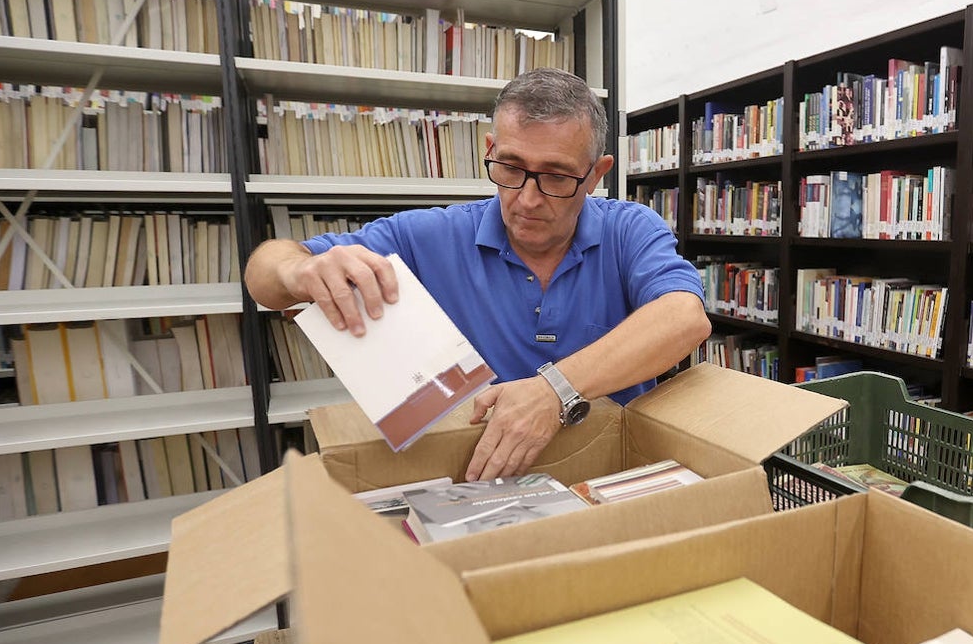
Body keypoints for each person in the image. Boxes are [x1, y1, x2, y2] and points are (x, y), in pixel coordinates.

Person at [245, 67, 710, 481]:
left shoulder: (629, 229)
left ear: (595, 174)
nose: (528, 199)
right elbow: (265, 273)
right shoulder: (428, 235)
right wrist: (300, 270)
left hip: (608, 481)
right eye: (510, 166)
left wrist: (554, 390)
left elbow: (684, 318)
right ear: (490, 149)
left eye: (556, 177)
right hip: (474, 482)